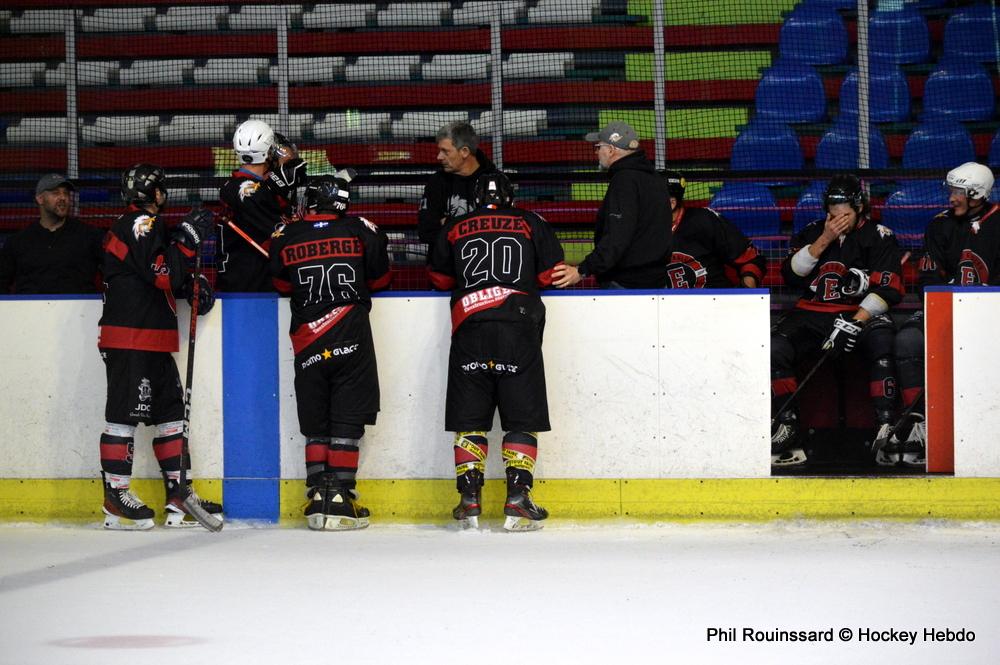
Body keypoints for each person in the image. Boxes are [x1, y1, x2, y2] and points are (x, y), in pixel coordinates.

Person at [428, 172, 565, 531]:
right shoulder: (531, 221)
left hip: (470, 328)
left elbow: (440, 279)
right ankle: (518, 499)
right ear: (509, 195)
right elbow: (550, 274)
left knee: (469, 418)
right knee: (522, 418)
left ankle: (469, 499)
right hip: (518, 329)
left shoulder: (456, 225)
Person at [98, 164, 222, 530]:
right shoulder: (142, 224)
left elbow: (155, 276)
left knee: (170, 416)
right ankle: (115, 496)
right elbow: (162, 273)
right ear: (155, 194)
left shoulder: (142, 228)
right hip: (131, 336)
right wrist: (186, 241)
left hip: (150, 337)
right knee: (123, 415)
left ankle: (179, 495)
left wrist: (190, 285)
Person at [270, 170, 391, 531]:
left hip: (307, 340)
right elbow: (382, 278)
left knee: (315, 423)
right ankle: (338, 496)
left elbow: (280, 285)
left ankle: (317, 497)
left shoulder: (284, 235)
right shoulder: (361, 229)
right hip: (350, 336)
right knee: (347, 420)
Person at [770, 174, 904, 467]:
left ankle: (887, 425)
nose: (838, 220)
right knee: (774, 347)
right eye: (832, 215)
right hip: (812, 314)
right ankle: (787, 427)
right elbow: (791, 276)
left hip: (860, 313)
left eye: (845, 214)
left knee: (882, 339)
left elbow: (891, 288)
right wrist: (824, 239)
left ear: (859, 207)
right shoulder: (812, 232)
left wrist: (856, 321)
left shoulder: (880, 235)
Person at [887, 162, 999, 467]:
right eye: (951, 190)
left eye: (958, 192)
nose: (951, 198)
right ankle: (918, 421)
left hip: (992, 314)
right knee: (908, 340)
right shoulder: (939, 226)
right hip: (946, 309)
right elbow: (927, 279)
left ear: (977, 193)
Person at [217, 119, 306, 292]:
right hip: (248, 287)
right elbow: (282, 235)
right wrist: (277, 182)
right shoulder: (243, 189)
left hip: (249, 282)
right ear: (268, 151)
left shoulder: (245, 186)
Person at [0, 174, 104, 294]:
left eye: (65, 193)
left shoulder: (90, 236)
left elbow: (114, 273)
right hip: (30, 311)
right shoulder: (18, 242)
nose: (63, 197)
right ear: (40, 199)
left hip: (80, 311)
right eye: (55, 193)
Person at [663, 171, 766, 288]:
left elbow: (752, 260)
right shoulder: (643, 228)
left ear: (671, 203)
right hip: (660, 304)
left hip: (715, 301)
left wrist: (746, 293)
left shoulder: (704, 220)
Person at [417, 120, 497, 247]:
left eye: (445, 151)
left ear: (464, 151)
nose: (439, 157)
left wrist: (448, 223)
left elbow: (497, 231)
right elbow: (426, 232)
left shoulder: (495, 181)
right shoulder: (437, 182)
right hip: (446, 265)